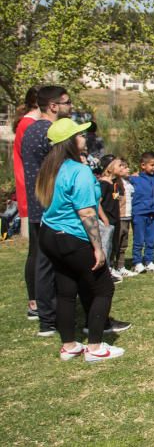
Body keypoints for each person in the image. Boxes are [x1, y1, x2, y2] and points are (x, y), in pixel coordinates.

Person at [35, 118, 124, 362]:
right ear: (71, 141)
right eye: (80, 134)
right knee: (104, 287)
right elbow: (86, 213)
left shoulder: (50, 168)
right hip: (71, 237)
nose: (84, 137)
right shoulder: (79, 171)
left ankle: (69, 345)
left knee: (66, 290)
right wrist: (98, 248)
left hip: (49, 235)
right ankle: (95, 347)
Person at [21, 86, 74, 336]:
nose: (71, 107)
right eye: (67, 103)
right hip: (52, 205)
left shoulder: (30, 130)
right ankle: (51, 317)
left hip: (36, 203)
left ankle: (46, 317)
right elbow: (62, 168)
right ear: (53, 106)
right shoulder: (51, 132)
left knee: (42, 262)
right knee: (55, 262)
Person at [13, 86, 41, 319]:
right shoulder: (28, 125)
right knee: (37, 251)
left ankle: (41, 298)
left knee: (42, 250)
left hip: (37, 194)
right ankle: (35, 302)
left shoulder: (30, 124)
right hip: (34, 196)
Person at [131, 152, 154, 274]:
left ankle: (149, 261)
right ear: (143, 165)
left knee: (151, 239)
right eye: (152, 165)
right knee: (139, 239)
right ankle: (137, 262)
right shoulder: (135, 179)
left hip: (153, 213)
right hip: (139, 213)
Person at [97, 156, 125, 280]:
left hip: (114, 220)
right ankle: (104, 273)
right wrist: (105, 219)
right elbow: (97, 203)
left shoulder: (114, 184)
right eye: (119, 165)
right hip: (106, 222)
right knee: (105, 246)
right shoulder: (103, 184)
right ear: (109, 168)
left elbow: (116, 198)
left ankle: (109, 269)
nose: (122, 167)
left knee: (112, 246)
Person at [115, 159, 136, 277]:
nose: (128, 169)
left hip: (128, 216)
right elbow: (114, 198)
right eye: (124, 167)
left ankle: (121, 266)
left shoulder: (129, 182)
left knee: (124, 243)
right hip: (120, 217)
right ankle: (113, 266)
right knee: (116, 243)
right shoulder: (116, 183)